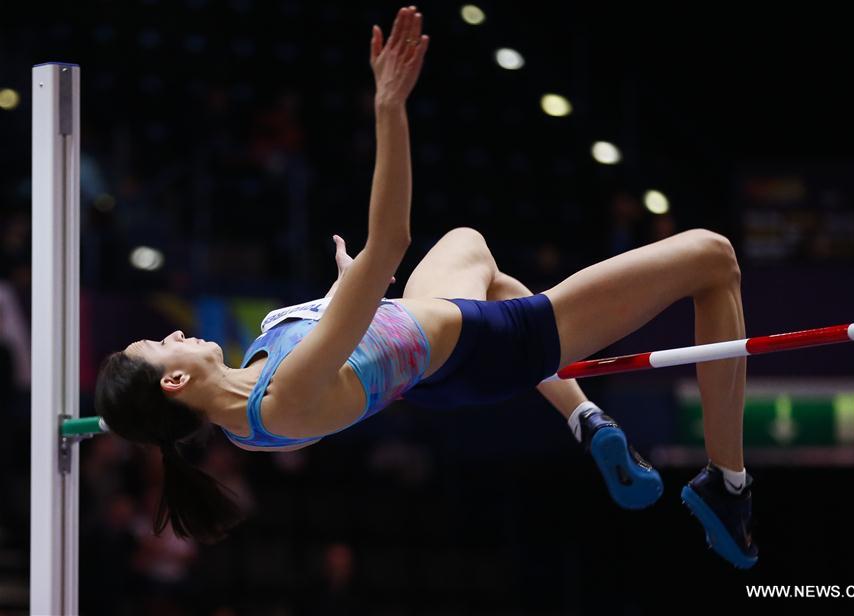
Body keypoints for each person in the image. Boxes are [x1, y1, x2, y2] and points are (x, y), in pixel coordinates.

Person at [94, 5, 756, 569]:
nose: (175, 332)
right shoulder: (281, 397)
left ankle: (583, 417)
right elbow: (391, 243)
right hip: (489, 347)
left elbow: (357, 354)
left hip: (430, 347)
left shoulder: (246, 418)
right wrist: (389, 108)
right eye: (160, 342)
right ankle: (728, 484)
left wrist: (349, 292)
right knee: (713, 257)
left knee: (469, 243)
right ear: (173, 384)